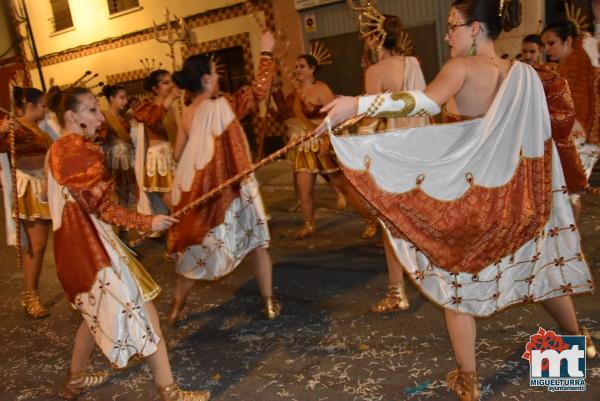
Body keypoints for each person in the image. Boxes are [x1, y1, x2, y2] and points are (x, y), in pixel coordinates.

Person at [318, 1, 596, 400]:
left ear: (477, 29)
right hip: (520, 201)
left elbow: (423, 104)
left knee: (456, 283)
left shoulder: (461, 68)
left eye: (453, 26)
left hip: (473, 201)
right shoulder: (525, 74)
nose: (448, 35)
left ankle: (469, 381)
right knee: (542, 273)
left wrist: (357, 104)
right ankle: (576, 346)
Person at [45, 86, 209, 401]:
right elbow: (103, 208)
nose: (99, 115)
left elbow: (48, 196)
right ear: (72, 116)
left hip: (76, 251)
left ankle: (73, 383)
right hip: (93, 252)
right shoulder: (77, 150)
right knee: (146, 314)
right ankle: (170, 392)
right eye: (92, 109)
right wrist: (147, 221)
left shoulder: (57, 149)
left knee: (91, 319)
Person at [166, 31, 281, 324]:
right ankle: (269, 302)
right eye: (215, 72)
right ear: (205, 79)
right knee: (257, 243)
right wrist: (266, 53)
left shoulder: (188, 114)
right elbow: (259, 91)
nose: (218, 77)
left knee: (194, 253)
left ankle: (177, 308)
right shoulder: (224, 105)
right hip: (235, 187)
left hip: (201, 193)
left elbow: (178, 154)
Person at [359, 12, 430, 314]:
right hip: (422, 146)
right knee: (423, 217)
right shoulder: (412, 63)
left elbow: (371, 116)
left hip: (393, 151)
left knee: (391, 224)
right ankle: (435, 280)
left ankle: (396, 291)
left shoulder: (374, 71)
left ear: (375, 38)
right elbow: (425, 103)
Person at [281, 53, 376, 239]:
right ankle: (309, 224)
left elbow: (335, 116)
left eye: (302, 66)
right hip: (306, 145)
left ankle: (370, 220)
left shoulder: (322, 88)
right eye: (296, 66)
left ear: (312, 69)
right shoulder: (296, 93)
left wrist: (326, 141)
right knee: (304, 189)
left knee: (344, 188)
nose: (298, 70)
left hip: (325, 141)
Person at [0, 86, 53, 318]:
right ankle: (30, 295)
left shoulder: (38, 127)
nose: (45, 109)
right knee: (38, 246)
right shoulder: (15, 126)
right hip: (29, 188)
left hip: (46, 184)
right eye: (42, 104)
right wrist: (2, 131)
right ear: (31, 105)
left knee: (48, 243)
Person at [542, 19, 600, 220]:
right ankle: (569, 243)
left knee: (569, 193)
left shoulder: (577, 61)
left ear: (567, 41)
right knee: (567, 192)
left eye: (551, 43)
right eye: (545, 44)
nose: (547, 49)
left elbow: (576, 107)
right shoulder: (568, 63)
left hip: (581, 139)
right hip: (576, 138)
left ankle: (571, 245)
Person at [134, 70, 180, 215]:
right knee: (178, 209)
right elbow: (153, 120)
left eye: (172, 82)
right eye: (166, 83)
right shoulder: (147, 108)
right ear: (155, 88)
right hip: (158, 163)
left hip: (171, 159)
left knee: (182, 207)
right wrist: (170, 98)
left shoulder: (171, 109)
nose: (171, 86)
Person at [98, 84, 137, 207]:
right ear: (111, 98)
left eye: (126, 98)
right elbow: (99, 142)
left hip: (130, 158)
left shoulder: (126, 116)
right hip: (115, 162)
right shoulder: (104, 118)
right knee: (120, 194)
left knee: (134, 193)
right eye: (122, 97)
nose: (125, 101)